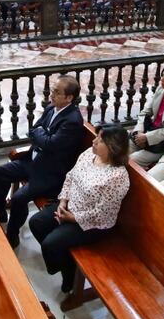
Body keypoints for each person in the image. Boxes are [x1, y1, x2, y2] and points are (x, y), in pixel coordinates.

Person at [28, 125, 131, 293]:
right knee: (37, 223)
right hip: (69, 206)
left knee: (50, 245)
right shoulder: (88, 154)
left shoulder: (118, 177)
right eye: (96, 137)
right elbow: (70, 177)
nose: (94, 141)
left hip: (92, 224)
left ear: (113, 147)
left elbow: (103, 213)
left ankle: (68, 273)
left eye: (100, 140)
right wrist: (62, 202)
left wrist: (72, 218)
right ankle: (66, 262)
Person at [0, 76, 85, 248]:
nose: (51, 95)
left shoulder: (73, 121)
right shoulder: (51, 108)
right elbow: (35, 129)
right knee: (0, 172)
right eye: (52, 90)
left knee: (19, 198)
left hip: (49, 172)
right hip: (32, 161)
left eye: (57, 92)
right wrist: (43, 135)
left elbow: (50, 144)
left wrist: (42, 136)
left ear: (69, 97)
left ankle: (12, 234)